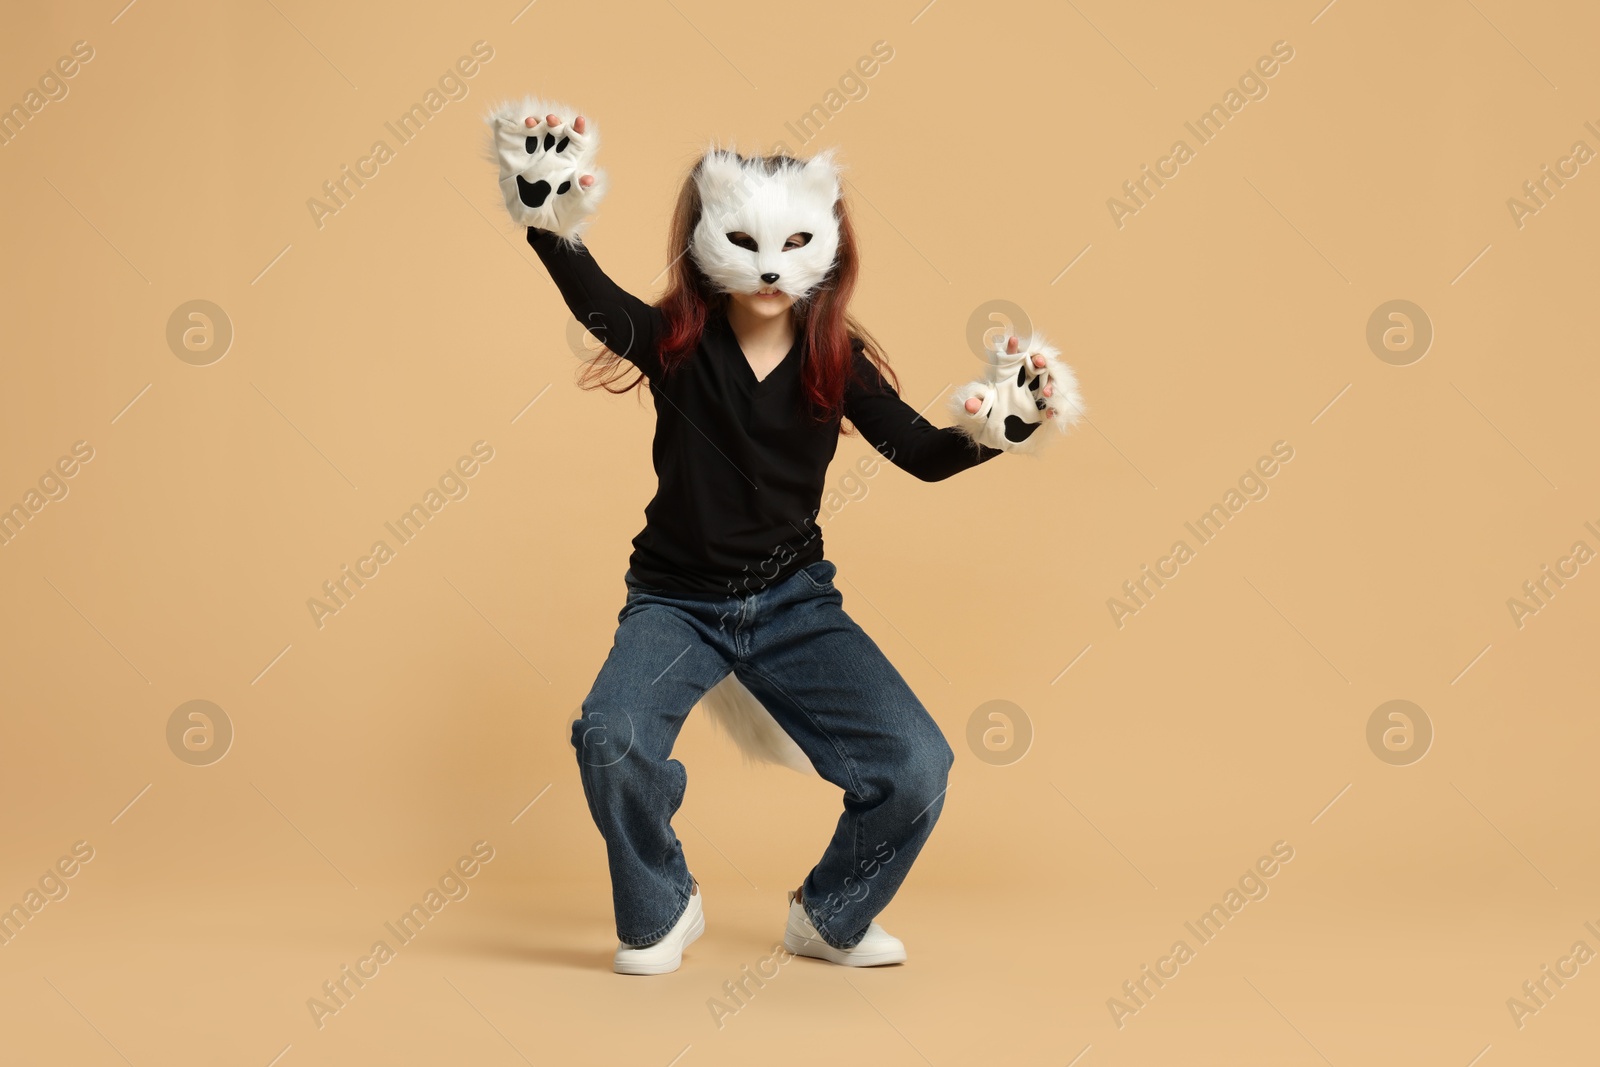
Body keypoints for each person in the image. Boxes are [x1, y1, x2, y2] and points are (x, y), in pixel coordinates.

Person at [487, 99, 1082, 975]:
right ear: (704, 239)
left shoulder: (838, 360)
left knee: (917, 766)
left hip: (793, 602)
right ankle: (664, 902)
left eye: (795, 247)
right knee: (610, 735)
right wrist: (548, 225)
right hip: (676, 602)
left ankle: (830, 915)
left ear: (829, 245)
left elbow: (920, 454)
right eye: (747, 246)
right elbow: (600, 304)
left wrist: (1001, 428)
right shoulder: (675, 343)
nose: (770, 270)